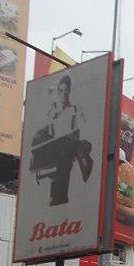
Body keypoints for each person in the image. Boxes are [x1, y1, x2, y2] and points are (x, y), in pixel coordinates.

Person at [33, 73, 93, 206]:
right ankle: (80, 153)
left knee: (68, 156)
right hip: (53, 145)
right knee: (69, 150)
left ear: (69, 90)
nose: (64, 93)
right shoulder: (53, 109)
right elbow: (43, 128)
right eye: (61, 90)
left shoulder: (76, 109)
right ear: (58, 92)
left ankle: (58, 198)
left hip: (68, 146)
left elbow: (83, 129)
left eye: (66, 90)